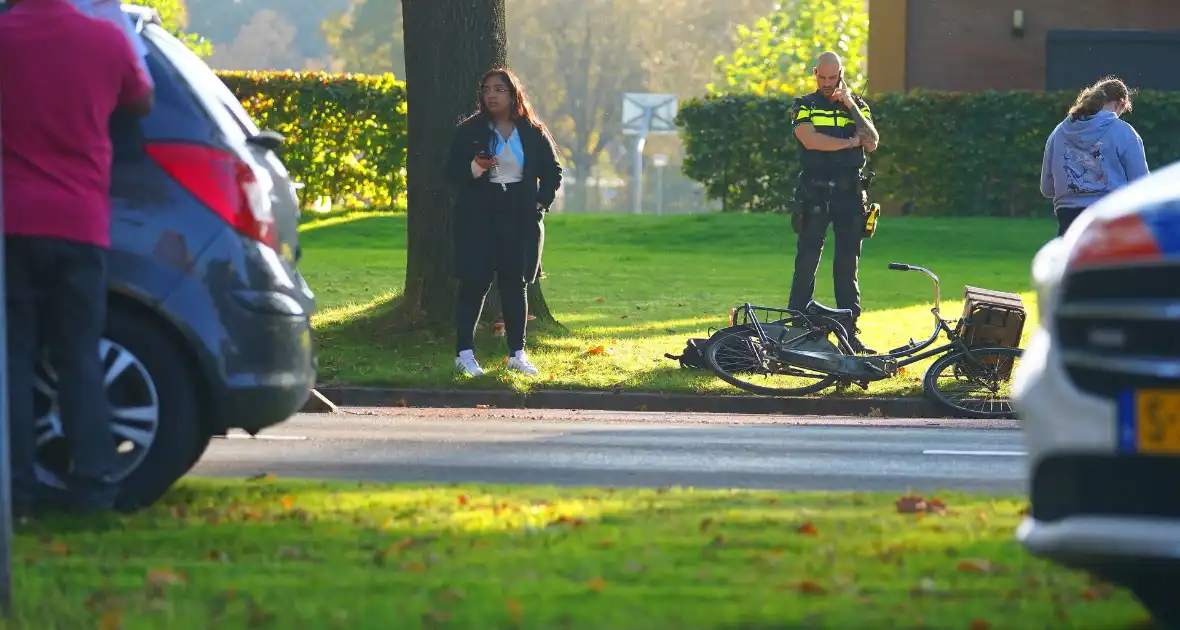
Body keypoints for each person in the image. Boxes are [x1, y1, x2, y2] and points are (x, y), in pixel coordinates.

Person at [0, 0, 154, 514]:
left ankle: (15, 491)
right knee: (79, 357)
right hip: (80, 223)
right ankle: (95, 487)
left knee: (13, 360)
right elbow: (142, 100)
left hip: (13, 220)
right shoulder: (104, 41)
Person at [444, 68, 562, 377]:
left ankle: (517, 354)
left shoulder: (533, 131)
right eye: (486, 90)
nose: (492, 95)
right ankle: (464, 354)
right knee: (474, 283)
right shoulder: (470, 130)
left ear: (513, 94)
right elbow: (450, 173)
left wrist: (540, 204)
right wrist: (475, 167)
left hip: (520, 215)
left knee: (515, 285)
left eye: (499, 89)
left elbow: (553, 172)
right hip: (478, 215)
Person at [787, 51, 879, 355]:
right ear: (815, 73)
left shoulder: (857, 106)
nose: (827, 83)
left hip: (850, 196)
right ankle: (797, 328)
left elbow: (873, 140)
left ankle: (850, 334)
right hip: (814, 193)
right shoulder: (804, 104)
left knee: (846, 268)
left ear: (841, 74)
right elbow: (810, 140)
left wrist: (850, 103)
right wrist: (851, 142)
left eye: (833, 77)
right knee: (807, 262)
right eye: (822, 77)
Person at [1040, 76, 1149, 238]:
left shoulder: (1059, 132)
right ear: (1121, 103)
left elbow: (1047, 188)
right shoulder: (1123, 132)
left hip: (1068, 222)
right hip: (1110, 218)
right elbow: (1141, 184)